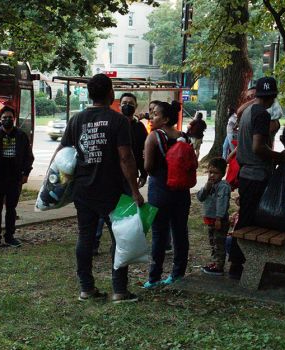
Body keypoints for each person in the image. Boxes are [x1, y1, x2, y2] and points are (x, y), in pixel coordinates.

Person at [56, 73, 144, 303]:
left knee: (85, 237)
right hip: (112, 191)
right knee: (120, 238)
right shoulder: (118, 121)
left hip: (83, 190)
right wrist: (135, 191)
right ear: (111, 93)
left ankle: (86, 288)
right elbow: (126, 157)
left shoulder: (76, 120)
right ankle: (119, 290)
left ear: (89, 94)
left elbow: (63, 155)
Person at [228, 77, 285, 279]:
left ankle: (241, 264)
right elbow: (258, 147)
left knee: (247, 216)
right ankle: (238, 265)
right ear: (272, 96)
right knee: (249, 220)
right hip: (256, 175)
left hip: (247, 173)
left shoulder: (247, 111)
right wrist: (279, 157)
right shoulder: (262, 115)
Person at [92, 92, 149, 256]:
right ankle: (95, 243)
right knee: (103, 212)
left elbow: (141, 152)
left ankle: (119, 244)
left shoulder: (139, 128)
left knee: (123, 212)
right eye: (124, 102)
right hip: (109, 174)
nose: (127, 105)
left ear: (136, 106)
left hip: (128, 177)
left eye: (131, 103)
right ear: (119, 104)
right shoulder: (113, 123)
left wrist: (143, 173)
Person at [143, 100, 191, 289]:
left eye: (155, 114)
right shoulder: (184, 136)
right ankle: (177, 274)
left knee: (159, 235)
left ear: (165, 119)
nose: (151, 117)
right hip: (181, 192)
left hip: (160, 191)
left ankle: (154, 278)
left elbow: (147, 167)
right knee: (180, 233)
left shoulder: (154, 137)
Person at [0, 106, 34, 248]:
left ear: (14, 119)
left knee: (11, 209)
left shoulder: (21, 136)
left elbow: (28, 157)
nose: (7, 120)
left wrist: (26, 173)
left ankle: (9, 236)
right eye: (4, 118)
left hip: (14, 177)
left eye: (10, 118)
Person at [197, 158, 231, 275]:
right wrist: (206, 187)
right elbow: (200, 197)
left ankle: (219, 266)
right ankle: (215, 261)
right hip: (210, 220)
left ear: (222, 173)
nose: (212, 175)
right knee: (212, 242)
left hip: (219, 220)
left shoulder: (223, 186)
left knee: (219, 243)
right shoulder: (209, 185)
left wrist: (218, 218)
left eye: (215, 173)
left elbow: (222, 203)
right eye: (210, 172)